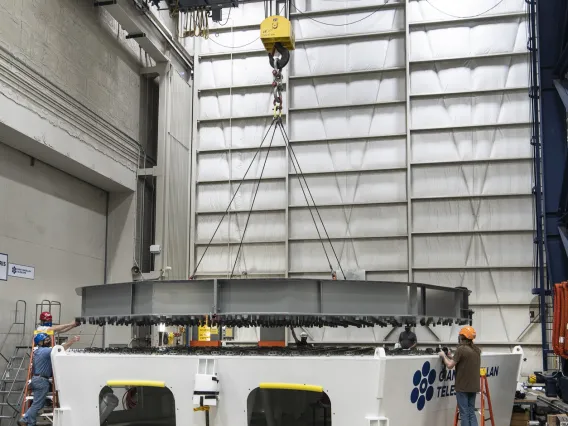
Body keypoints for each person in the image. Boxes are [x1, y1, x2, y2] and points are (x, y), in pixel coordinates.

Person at [18, 333, 80, 426]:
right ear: (40, 342)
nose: (49, 341)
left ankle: (31, 422)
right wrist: (72, 340)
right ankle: (25, 419)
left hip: (37, 379)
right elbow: (60, 349)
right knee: (37, 404)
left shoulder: (38, 351)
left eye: (48, 339)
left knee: (39, 403)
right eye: (46, 340)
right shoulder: (45, 351)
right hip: (41, 380)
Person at [439, 326, 481, 426]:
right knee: (471, 411)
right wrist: (450, 356)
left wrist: (443, 356)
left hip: (462, 387)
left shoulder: (461, 349)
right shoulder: (476, 350)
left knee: (464, 413)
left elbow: (449, 365)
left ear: (462, 337)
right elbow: (462, 361)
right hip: (473, 386)